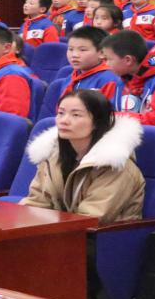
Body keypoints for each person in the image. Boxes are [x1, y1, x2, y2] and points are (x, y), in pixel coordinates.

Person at [21, 90, 145, 224]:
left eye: (76, 115)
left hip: (100, 235)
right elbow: (36, 203)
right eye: (61, 113)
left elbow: (91, 218)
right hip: (58, 230)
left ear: (97, 122)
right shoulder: (52, 156)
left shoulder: (115, 165)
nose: (64, 120)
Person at [100, 30, 155, 129]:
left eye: (108, 59)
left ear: (128, 60)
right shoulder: (121, 81)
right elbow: (107, 110)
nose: (106, 64)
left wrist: (117, 118)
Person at [56, 27, 120, 105]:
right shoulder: (71, 78)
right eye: (71, 49)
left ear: (102, 53)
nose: (74, 55)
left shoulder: (109, 79)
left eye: (82, 50)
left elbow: (108, 110)